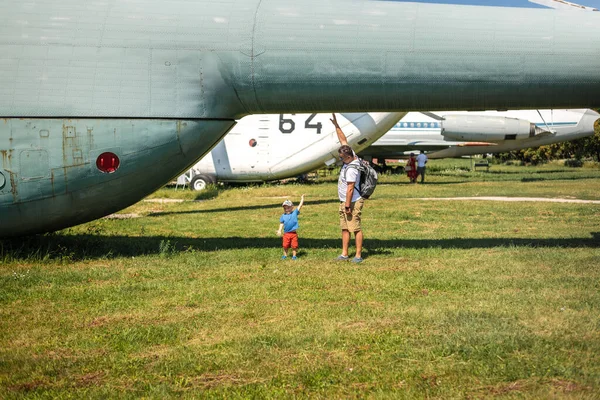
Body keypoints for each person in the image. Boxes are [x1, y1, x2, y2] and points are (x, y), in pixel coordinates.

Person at [330, 113, 364, 263]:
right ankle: (344, 253)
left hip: (352, 201)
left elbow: (350, 188)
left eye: (342, 158)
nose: (340, 159)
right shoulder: (350, 154)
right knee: (344, 228)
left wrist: (348, 205)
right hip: (344, 201)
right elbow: (343, 140)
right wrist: (336, 125)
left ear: (348, 157)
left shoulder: (351, 168)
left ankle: (358, 255)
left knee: (355, 228)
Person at [276, 194, 304, 260]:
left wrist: (302, 199)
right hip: (286, 234)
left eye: (288, 208)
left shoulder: (294, 213)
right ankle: (285, 255)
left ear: (292, 207)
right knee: (285, 245)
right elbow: (281, 223)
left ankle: (294, 256)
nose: (286, 209)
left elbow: (300, 206)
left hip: (293, 234)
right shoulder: (283, 216)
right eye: (285, 208)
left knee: (294, 246)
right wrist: (279, 230)